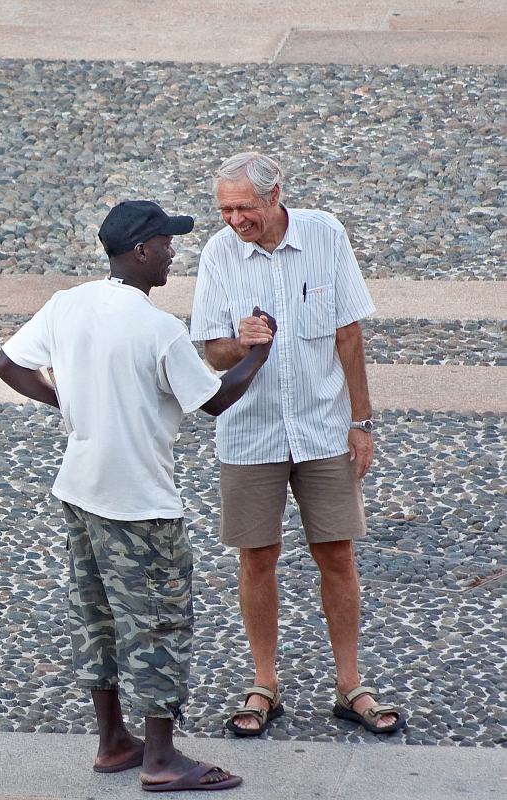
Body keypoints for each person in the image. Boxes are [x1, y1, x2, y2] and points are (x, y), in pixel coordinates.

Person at [0, 199, 276, 792]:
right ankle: (162, 759)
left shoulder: (68, 303)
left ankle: (113, 743)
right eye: (167, 244)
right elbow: (216, 399)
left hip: (79, 489)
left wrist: (69, 404)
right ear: (141, 251)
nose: (174, 252)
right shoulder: (157, 328)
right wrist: (258, 353)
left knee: (96, 618)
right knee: (158, 625)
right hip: (140, 504)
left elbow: (7, 364)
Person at [190, 153, 405, 737]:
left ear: (275, 195)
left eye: (245, 207)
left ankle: (349, 684)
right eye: (226, 209)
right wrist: (241, 342)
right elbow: (212, 353)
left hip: (322, 427)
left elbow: (349, 332)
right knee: (256, 557)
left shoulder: (324, 233)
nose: (235, 220)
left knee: (336, 554)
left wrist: (362, 422)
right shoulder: (217, 254)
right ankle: (265, 683)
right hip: (250, 431)